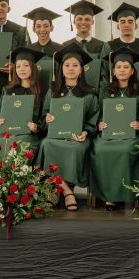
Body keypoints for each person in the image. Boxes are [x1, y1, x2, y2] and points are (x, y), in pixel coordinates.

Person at [39, 43, 100, 212]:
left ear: (81, 69)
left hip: (78, 137)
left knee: (76, 147)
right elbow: (43, 118)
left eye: (75, 65)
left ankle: (58, 190)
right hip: (55, 136)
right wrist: (48, 118)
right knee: (47, 144)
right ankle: (66, 190)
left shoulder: (90, 93)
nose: (71, 69)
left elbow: (93, 120)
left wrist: (85, 133)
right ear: (61, 69)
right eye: (67, 65)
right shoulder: (52, 92)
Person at [90, 46, 139, 211]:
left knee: (125, 149)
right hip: (108, 134)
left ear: (133, 70)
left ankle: (124, 195)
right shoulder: (105, 91)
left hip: (133, 135)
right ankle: (110, 196)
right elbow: (99, 113)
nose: (122, 70)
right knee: (102, 149)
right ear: (114, 70)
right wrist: (100, 123)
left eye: (126, 67)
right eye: (119, 67)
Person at [0, 47, 47, 160]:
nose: (22, 69)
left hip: (29, 134)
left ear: (33, 67)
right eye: (18, 66)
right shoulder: (7, 90)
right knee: (0, 142)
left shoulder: (42, 90)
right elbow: (0, 113)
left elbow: (45, 116)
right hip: (7, 132)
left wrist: (37, 127)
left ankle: (18, 177)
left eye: (26, 65)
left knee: (20, 142)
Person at [106, 2, 139, 89]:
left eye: (130, 22)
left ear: (136, 26)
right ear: (118, 26)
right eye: (123, 22)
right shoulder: (109, 47)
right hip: (115, 95)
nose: (126, 25)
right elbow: (105, 74)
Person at [60, 0, 110, 91]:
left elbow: (105, 75)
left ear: (92, 22)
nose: (83, 22)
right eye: (79, 19)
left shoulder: (102, 46)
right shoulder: (65, 46)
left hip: (95, 93)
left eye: (87, 19)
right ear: (74, 21)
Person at [23, 7, 63, 91]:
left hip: (54, 92)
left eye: (46, 26)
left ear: (51, 28)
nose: (42, 30)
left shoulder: (60, 49)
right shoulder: (28, 50)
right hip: (32, 92)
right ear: (34, 29)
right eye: (38, 26)